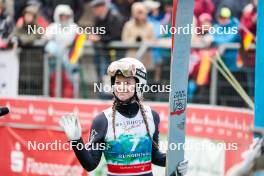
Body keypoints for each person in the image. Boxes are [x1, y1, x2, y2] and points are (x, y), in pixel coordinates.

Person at [59, 57, 188, 176]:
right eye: (118, 82)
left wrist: (175, 161)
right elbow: (90, 165)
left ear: (139, 85)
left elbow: (154, 157)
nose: (121, 87)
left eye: (127, 83)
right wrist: (76, 141)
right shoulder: (102, 120)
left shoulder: (152, 116)